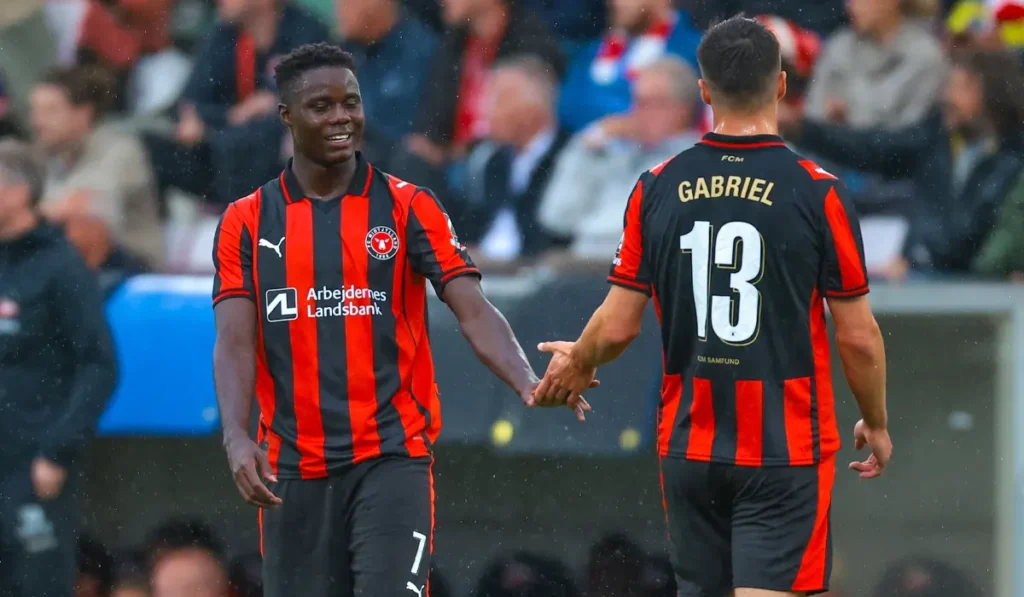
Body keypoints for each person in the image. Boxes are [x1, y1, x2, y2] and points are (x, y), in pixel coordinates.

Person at [210, 42, 591, 597]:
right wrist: (235, 434)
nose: (341, 117)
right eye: (321, 106)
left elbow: (473, 308)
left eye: (351, 102)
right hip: (291, 468)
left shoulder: (409, 206)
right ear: (287, 116)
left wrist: (526, 380)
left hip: (390, 459)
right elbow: (234, 340)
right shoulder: (245, 221)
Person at [534, 16, 892, 597]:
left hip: (690, 446)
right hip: (783, 449)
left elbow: (618, 326)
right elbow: (856, 335)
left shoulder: (656, 185)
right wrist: (874, 420)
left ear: (703, 90)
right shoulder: (817, 190)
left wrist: (579, 358)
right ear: (781, 85)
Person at [0, 139, 118, 597]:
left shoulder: (60, 266)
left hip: (32, 467)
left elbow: (100, 365)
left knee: (36, 583)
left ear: (18, 192)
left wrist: (57, 451)